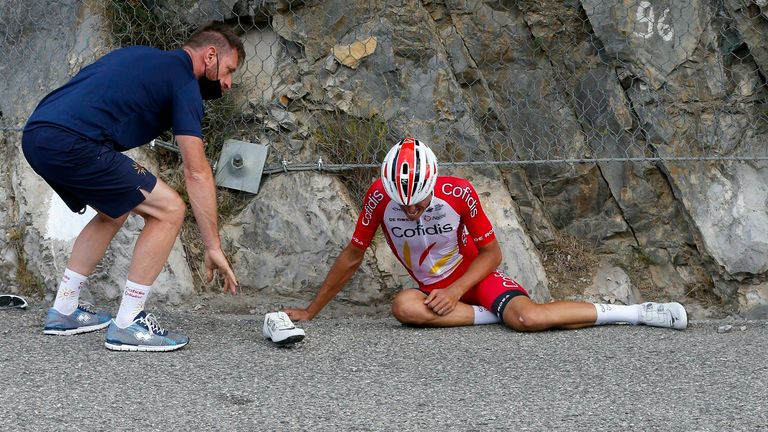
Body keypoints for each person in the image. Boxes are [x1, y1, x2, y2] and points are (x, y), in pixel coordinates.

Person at [285, 138, 687, 331]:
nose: (410, 210)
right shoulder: (377, 197)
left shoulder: (457, 191)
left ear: (433, 183)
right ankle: (493, 317)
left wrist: (456, 290)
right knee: (403, 307)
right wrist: (310, 311)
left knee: (529, 318)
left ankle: (638, 313)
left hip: (475, 278)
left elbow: (491, 254)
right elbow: (353, 255)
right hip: (433, 291)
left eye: (419, 203)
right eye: (402, 204)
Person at [22, 21, 244, 351]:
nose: (227, 83)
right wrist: (213, 245)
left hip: (37, 135)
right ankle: (128, 322)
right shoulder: (183, 80)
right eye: (228, 70)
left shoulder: (139, 56)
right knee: (170, 209)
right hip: (73, 142)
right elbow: (196, 173)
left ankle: (65, 309)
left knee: (115, 211)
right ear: (210, 55)